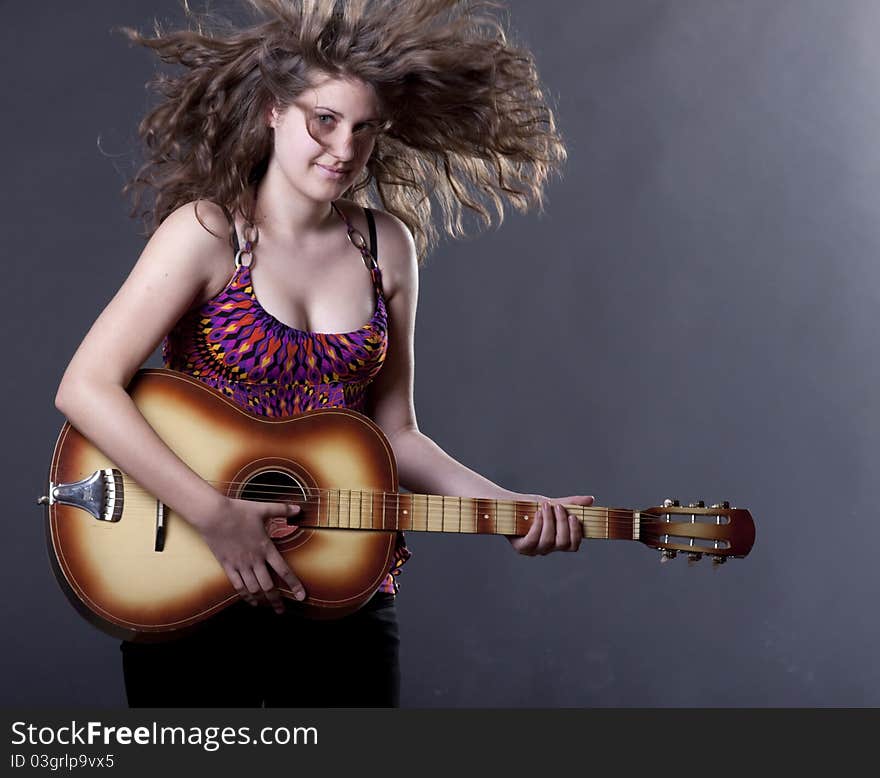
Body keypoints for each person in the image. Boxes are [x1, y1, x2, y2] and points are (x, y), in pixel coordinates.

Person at [54, 0, 594, 708]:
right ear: (275, 110)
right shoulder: (210, 234)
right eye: (324, 120)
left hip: (341, 579)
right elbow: (86, 386)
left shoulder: (386, 248)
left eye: (365, 128)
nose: (344, 149)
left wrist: (509, 505)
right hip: (192, 571)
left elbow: (394, 433)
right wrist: (213, 513)